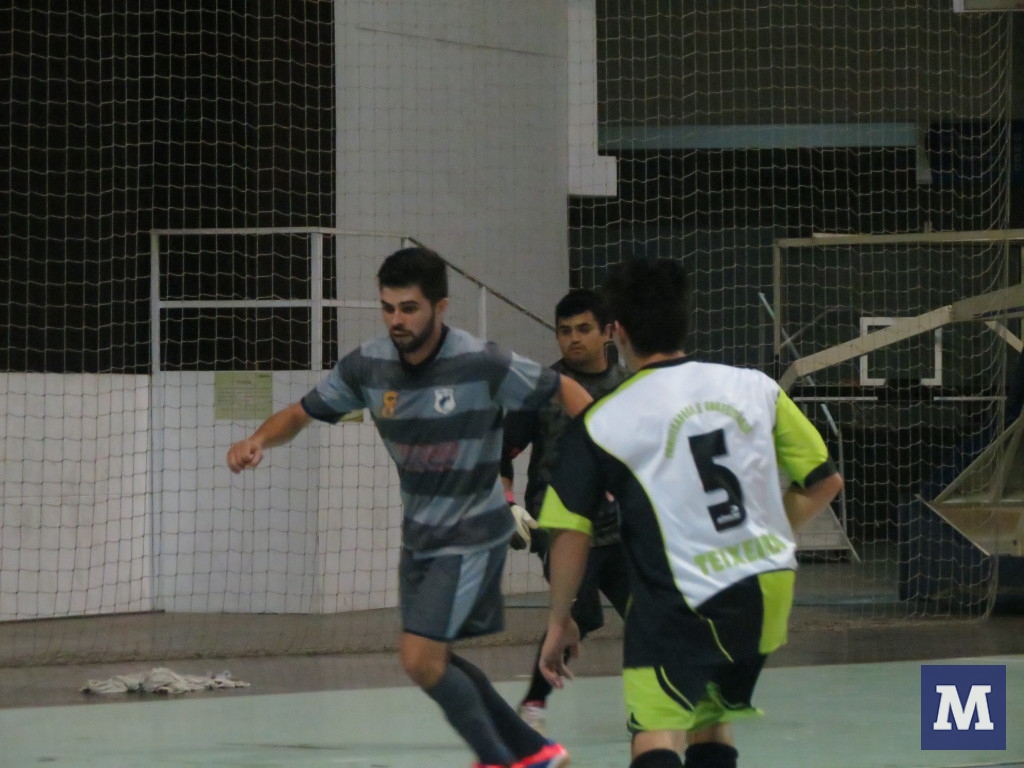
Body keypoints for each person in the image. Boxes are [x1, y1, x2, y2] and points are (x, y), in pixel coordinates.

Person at [226, 247, 591, 768]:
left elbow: (568, 390)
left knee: (419, 660)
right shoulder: (368, 366)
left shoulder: (482, 362)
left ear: (440, 307)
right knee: (433, 661)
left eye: (409, 308)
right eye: (388, 307)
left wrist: (606, 458)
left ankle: (499, 759)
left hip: (473, 532)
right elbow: (301, 412)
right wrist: (259, 438)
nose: (397, 320)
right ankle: (537, 752)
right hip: (420, 535)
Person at [535, 259, 844, 768]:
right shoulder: (755, 387)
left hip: (680, 598)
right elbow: (825, 482)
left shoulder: (603, 420)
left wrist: (560, 619)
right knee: (708, 718)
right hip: (766, 592)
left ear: (617, 332)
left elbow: (569, 528)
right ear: (685, 321)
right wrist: (763, 536)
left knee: (656, 732)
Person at [501, 289, 630, 734]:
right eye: (564, 331)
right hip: (559, 527)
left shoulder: (629, 387)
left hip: (619, 528)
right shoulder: (542, 389)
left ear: (608, 332)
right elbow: (502, 454)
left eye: (583, 330)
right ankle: (533, 703)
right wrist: (509, 504)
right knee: (582, 613)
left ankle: (662, 699)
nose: (573, 339)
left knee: (650, 613)